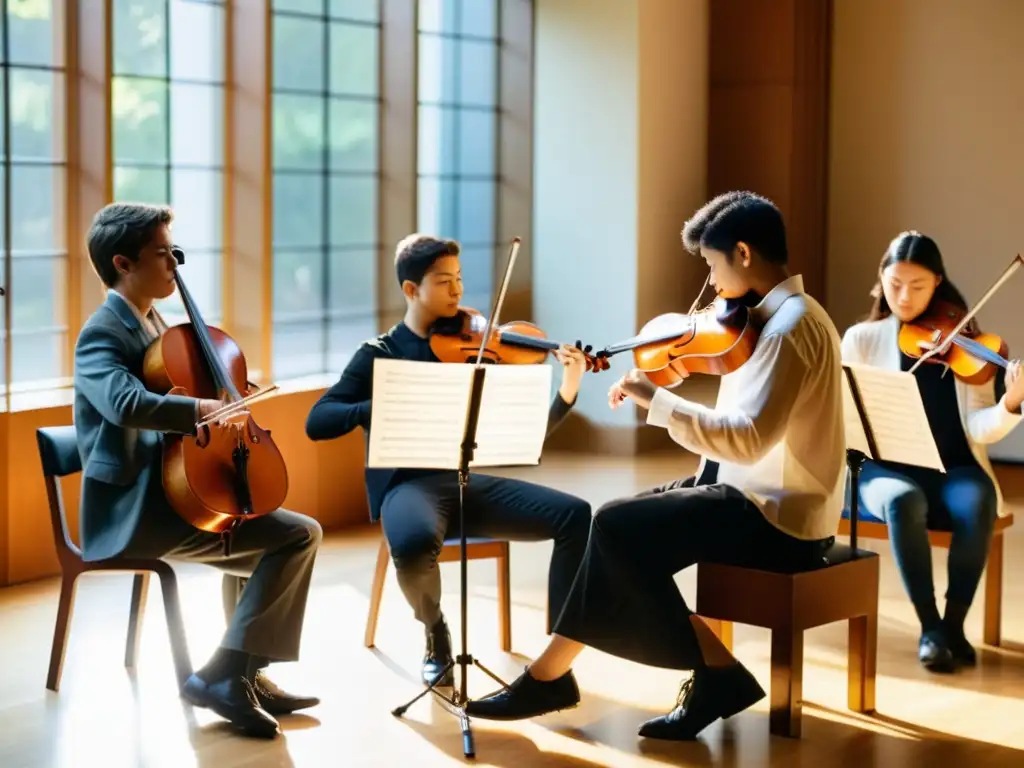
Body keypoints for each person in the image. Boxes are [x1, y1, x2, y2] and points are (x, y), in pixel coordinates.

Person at [464, 191, 847, 741]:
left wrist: (657, 400)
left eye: (712, 266)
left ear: (742, 253)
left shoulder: (789, 330)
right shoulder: (768, 318)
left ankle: (711, 673)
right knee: (611, 525)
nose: (711, 285)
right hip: (747, 491)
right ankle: (553, 673)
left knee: (620, 525)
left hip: (779, 517)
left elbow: (747, 441)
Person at [73, 202, 323, 739]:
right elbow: (124, 403)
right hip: (137, 509)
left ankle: (245, 673)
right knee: (296, 537)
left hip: (175, 491)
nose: (175, 264)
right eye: (163, 254)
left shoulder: (157, 322)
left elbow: (181, 382)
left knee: (251, 513)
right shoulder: (102, 333)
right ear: (123, 263)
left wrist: (224, 394)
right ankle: (223, 675)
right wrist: (199, 411)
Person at [305, 234, 593, 687]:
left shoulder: (478, 347)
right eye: (444, 282)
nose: (458, 292)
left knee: (575, 516)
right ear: (410, 289)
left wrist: (568, 388)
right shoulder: (379, 354)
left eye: (459, 279)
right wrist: (379, 403)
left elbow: (529, 436)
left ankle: (558, 651)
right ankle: (436, 633)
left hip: (464, 481)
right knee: (416, 542)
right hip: (407, 487)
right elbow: (318, 421)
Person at [839, 231, 1023, 673]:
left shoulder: (966, 344)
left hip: (954, 468)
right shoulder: (862, 339)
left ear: (938, 282)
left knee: (976, 499)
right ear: (881, 280)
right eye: (894, 284)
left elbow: (980, 428)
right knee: (904, 500)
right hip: (884, 470)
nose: (904, 296)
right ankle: (929, 626)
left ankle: (952, 626)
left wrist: (1012, 403)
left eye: (918, 286)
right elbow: (847, 415)